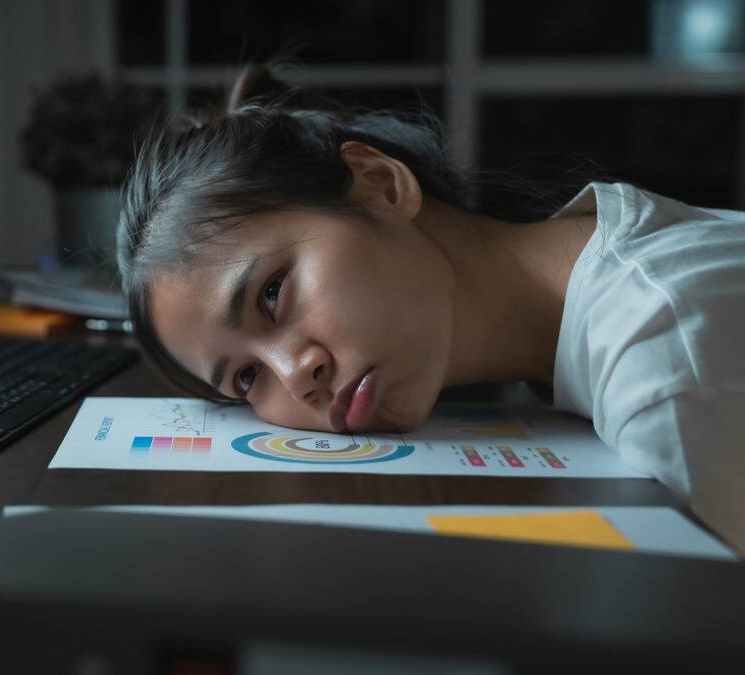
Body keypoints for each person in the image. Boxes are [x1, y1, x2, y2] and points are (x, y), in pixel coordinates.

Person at [116, 64, 745, 550]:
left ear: (383, 185)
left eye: (273, 293)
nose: (293, 374)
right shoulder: (592, 270)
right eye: (246, 377)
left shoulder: (663, 358)